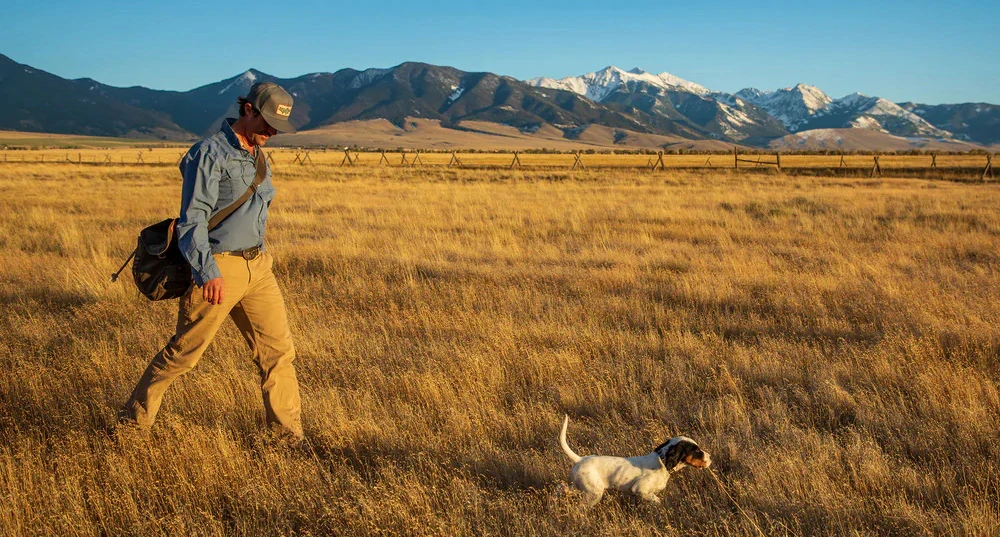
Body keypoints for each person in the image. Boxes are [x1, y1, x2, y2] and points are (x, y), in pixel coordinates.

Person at [119, 82, 303, 443]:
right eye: (267, 122)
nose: (272, 132)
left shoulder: (258, 154)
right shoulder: (208, 154)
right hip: (220, 267)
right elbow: (193, 220)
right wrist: (208, 272)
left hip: (258, 267)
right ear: (248, 110)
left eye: (277, 127)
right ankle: (130, 427)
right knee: (183, 355)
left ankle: (287, 437)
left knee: (279, 354)